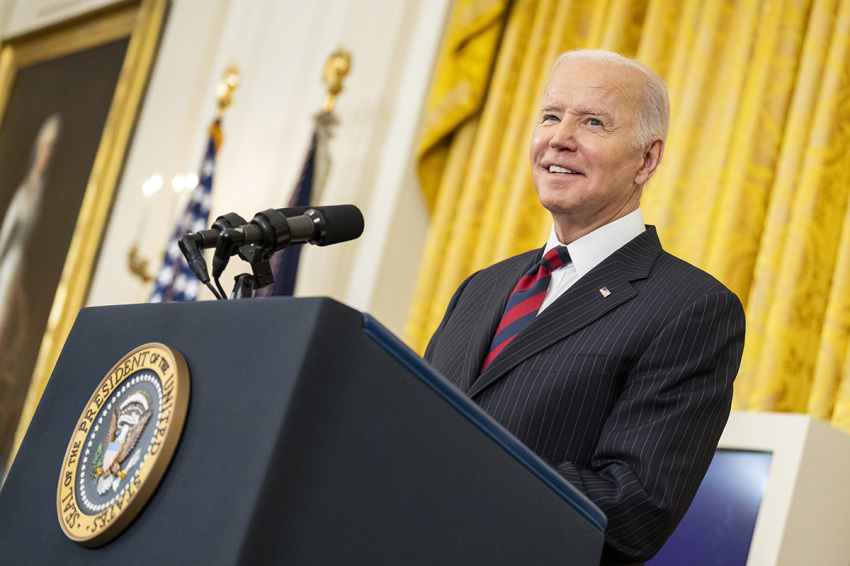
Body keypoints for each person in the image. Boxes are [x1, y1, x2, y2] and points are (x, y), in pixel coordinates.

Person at [424, 50, 746, 565]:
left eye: (592, 121)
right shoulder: (481, 287)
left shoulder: (693, 308)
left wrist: (468, 473)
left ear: (646, 160)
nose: (559, 138)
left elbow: (634, 508)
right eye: (551, 116)